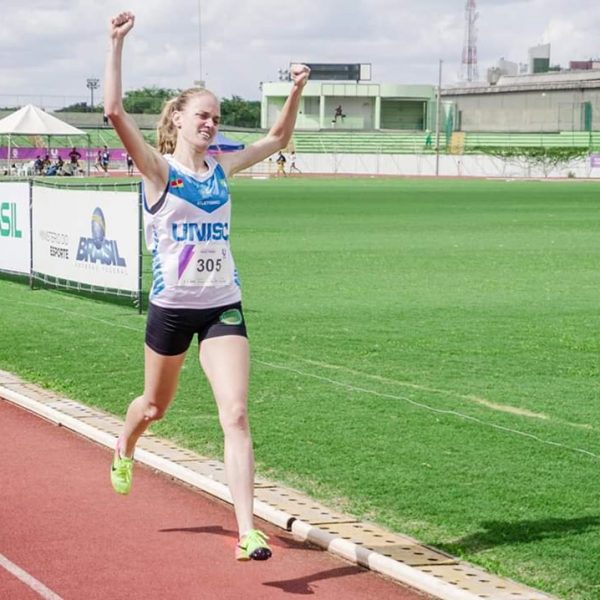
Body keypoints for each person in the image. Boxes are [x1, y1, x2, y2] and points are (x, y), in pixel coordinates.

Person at [104, 11, 310, 562]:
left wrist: (295, 90)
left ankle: (248, 531)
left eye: (217, 117)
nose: (211, 124)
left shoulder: (222, 169)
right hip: (172, 309)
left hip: (222, 305)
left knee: (236, 413)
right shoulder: (158, 171)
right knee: (153, 407)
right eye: (203, 115)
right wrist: (116, 43)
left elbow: (278, 137)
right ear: (178, 118)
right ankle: (124, 445)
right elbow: (113, 111)